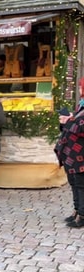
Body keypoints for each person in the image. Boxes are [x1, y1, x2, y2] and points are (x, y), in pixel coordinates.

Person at [55, 77, 84, 228]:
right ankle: (77, 211)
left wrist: (69, 121)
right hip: (73, 154)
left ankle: (82, 215)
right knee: (74, 182)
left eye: (80, 87)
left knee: (80, 184)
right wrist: (68, 119)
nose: (79, 90)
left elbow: (81, 128)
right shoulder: (81, 105)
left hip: (81, 154)